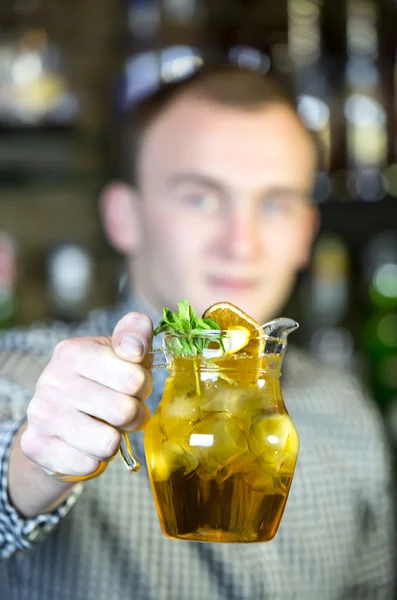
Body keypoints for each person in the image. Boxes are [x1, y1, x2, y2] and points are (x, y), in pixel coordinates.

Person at [0, 63, 395, 600]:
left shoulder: (342, 410)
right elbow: (13, 465)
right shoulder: (29, 372)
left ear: (305, 234)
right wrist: (38, 461)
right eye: (200, 198)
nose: (241, 242)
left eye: (274, 204)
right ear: (124, 217)